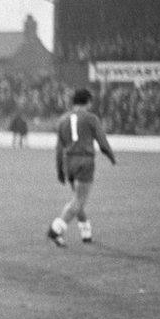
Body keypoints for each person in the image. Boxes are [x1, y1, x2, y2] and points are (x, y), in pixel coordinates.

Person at [46, 88, 116, 247]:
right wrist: (111, 157)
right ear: (89, 102)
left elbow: (59, 148)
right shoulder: (91, 118)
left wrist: (59, 170)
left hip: (68, 162)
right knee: (79, 200)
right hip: (85, 161)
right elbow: (102, 142)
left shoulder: (63, 120)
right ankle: (56, 229)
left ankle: (86, 233)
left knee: (77, 199)